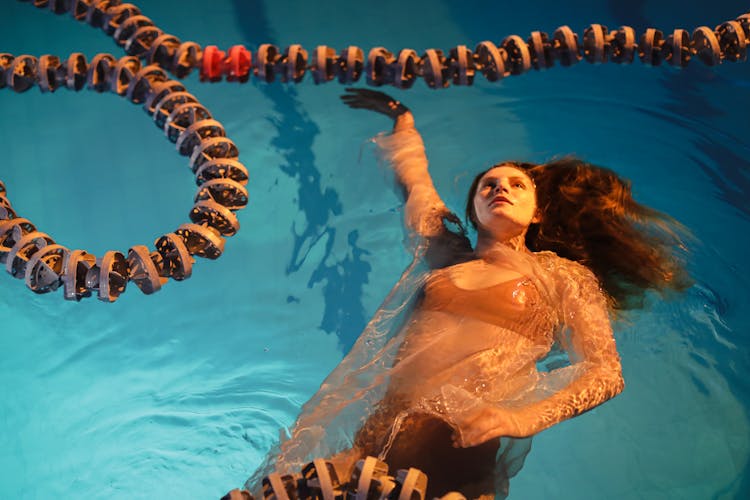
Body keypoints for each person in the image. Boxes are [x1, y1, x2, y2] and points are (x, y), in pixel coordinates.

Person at [241, 89, 689, 499]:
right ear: (473, 209)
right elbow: (414, 183)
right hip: (372, 441)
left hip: (457, 453)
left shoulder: (560, 275)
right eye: (488, 185)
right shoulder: (445, 253)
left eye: (516, 185)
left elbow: (604, 371)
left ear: (536, 216)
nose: (500, 189)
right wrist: (403, 121)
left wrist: (520, 419)